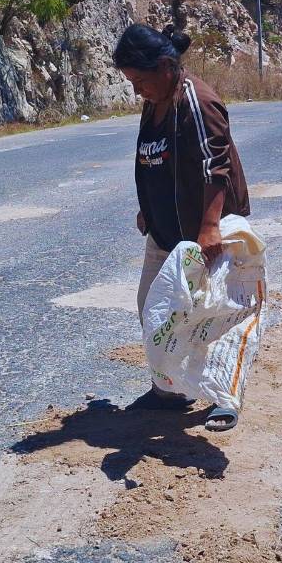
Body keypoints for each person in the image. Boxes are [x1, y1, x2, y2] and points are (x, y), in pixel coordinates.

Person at [112, 22, 252, 431]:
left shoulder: (197, 100)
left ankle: (224, 396)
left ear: (165, 67)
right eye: (132, 83)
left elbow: (216, 166)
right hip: (165, 230)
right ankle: (170, 390)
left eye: (140, 80)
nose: (137, 90)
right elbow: (150, 159)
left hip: (207, 228)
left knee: (217, 315)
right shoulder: (155, 100)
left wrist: (210, 227)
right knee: (153, 309)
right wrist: (147, 208)